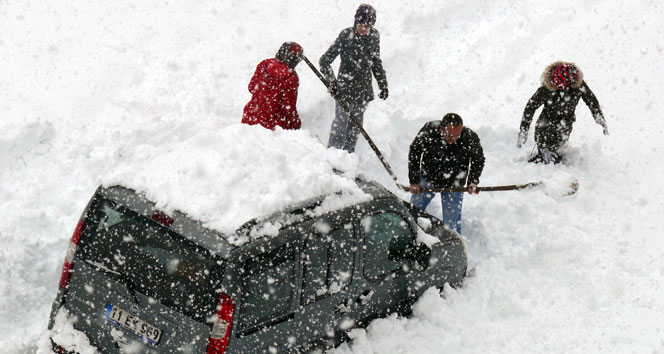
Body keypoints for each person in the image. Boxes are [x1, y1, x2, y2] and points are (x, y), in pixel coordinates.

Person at [320, 4, 389, 153]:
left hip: (363, 91)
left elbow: (376, 62)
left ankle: (348, 158)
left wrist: (383, 84)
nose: (364, 30)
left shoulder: (374, 37)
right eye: (361, 25)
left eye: (368, 26)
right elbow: (324, 61)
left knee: (355, 128)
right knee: (340, 124)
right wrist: (332, 81)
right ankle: (332, 155)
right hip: (344, 90)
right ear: (355, 21)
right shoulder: (346, 36)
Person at [518, 61, 609, 164]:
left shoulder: (579, 86)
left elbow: (592, 101)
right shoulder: (547, 87)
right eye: (555, 83)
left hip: (565, 124)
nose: (556, 86)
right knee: (544, 146)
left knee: (557, 153)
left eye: (559, 85)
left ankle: (553, 162)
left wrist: (600, 119)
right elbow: (530, 107)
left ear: (569, 83)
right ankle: (542, 159)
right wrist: (524, 130)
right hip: (545, 122)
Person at [408, 113, 485, 234]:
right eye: (449, 135)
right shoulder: (429, 130)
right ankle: (410, 234)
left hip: (454, 183)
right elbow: (414, 152)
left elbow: (478, 160)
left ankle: (454, 247)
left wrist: (473, 181)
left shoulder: (469, 137)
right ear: (441, 128)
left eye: (457, 135)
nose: (453, 139)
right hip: (428, 177)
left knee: (451, 225)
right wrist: (414, 181)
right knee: (413, 213)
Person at [242, 42, 304, 130]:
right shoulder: (291, 77)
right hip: (273, 124)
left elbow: (251, 87)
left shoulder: (264, 64)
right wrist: (297, 124)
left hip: (251, 117)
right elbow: (289, 108)